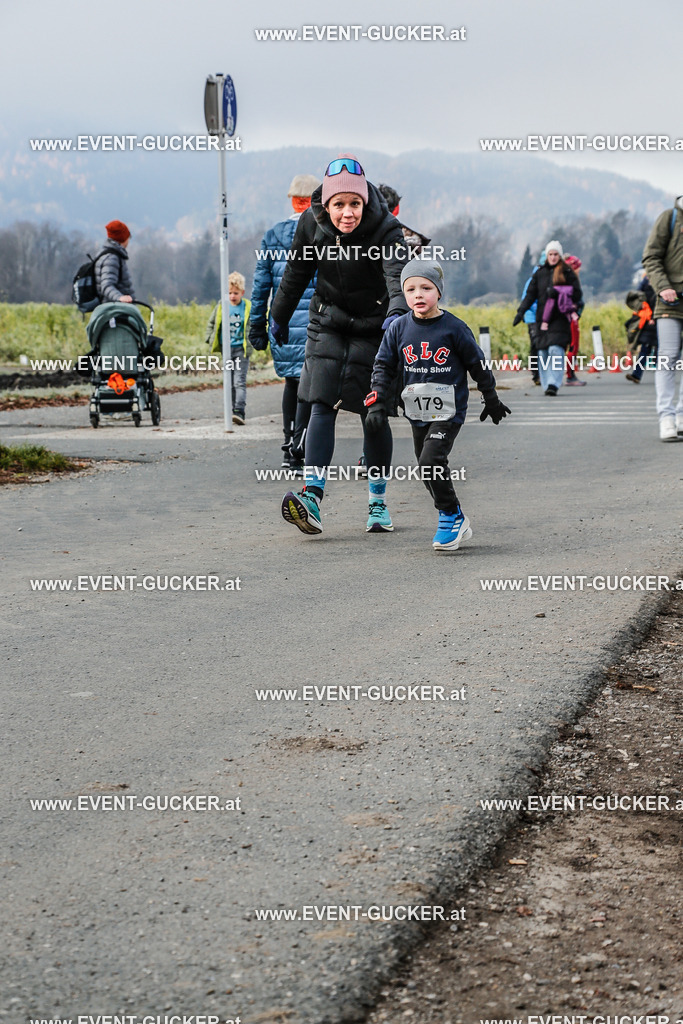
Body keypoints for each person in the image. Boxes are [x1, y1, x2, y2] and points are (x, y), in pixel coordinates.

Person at [270, 155, 410, 535]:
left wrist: (398, 316)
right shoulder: (310, 225)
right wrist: (277, 316)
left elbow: (398, 276)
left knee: (374, 412)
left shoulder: (387, 230)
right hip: (328, 322)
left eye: (354, 204)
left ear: (365, 202)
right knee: (321, 402)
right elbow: (296, 272)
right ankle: (311, 497)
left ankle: (377, 503)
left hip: (376, 325)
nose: (347, 213)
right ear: (326, 205)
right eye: (339, 205)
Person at [366, 259, 511, 551]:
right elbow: (383, 365)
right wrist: (377, 401)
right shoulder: (397, 329)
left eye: (426, 288)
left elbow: (478, 365)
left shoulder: (454, 328)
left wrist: (491, 397)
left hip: (448, 410)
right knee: (425, 468)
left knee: (431, 461)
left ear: (439, 292)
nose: (418, 295)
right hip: (417, 411)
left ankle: (449, 516)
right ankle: (455, 514)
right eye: (411, 289)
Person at [249, 174, 319, 472]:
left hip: (284, 323)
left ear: (292, 200)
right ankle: (301, 447)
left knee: (292, 381)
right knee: (311, 384)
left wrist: (256, 327)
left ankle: (288, 447)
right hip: (317, 323)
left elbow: (260, 287)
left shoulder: (272, 236)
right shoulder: (323, 232)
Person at [513, 240, 582, 396]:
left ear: (560, 255)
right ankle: (546, 383)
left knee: (556, 350)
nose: (552, 257)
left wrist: (560, 293)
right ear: (547, 256)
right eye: (550, 254)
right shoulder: (540, 273)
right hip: (542, 319)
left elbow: (577, 294)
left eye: (555, 254)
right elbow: (530, 295)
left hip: (560, 319)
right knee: (543, 352)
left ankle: (554, 383)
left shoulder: (567, 272)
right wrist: (520, 312)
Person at [642, 198, 683, 440]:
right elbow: (651, 257)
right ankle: (666, 417)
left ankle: (681, 415)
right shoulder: (670, 218)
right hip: (671, 300)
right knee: (668, 357)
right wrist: (664, 287)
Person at [206, 271, 253, 425]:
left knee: (239, 381)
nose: (232, 296)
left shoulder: (247, 307)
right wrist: (209, 338)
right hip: (226, 350)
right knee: (229, 381)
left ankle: (239, 410)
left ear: (242, 293)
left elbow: (253, 325)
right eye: (230, 293)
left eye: (236, 293)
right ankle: (232, 409)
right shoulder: (222, 305)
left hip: (241, 349)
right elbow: (212, 323)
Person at [624, 274, 658, 384]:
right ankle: (637, 375)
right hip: (649, 323)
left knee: (652, 350)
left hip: (654, 321)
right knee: (647, 350)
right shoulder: (648, 288)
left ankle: (638, 375)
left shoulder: (649, 287)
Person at [519, 253, 544, 385]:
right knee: (536, 345)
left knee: (543, 345)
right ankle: (536, 374)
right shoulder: (533, 280)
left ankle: (541, 373)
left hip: (543, 318)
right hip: (532, 317)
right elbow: (527, 300)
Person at [94, 220, 135, 303]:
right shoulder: (112, 258)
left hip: (114, 308)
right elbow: (106, 285)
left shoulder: (107, 254)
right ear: (123, 238)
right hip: (114, 310)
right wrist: (120, 297)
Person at [563, 254, 586, 386]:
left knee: (570, 346)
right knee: (573, 346)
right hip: (571, 317)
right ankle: (570, 375)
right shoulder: (570, 281)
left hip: (572, 317)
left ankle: (569, 374)